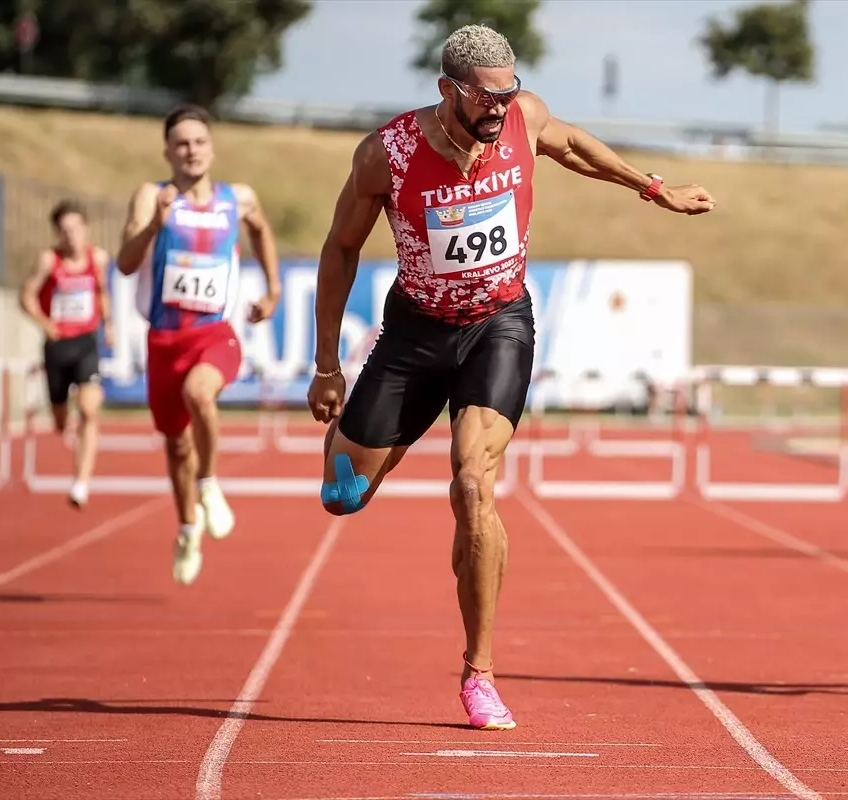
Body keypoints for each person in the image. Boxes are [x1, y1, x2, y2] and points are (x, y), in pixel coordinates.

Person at [305, 24, 714, 730]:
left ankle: (480, 673)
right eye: (485, 98)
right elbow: (341, 250)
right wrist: (325, 364)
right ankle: (398, 462)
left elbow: (577, 145)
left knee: (473, 485)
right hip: (414, 334)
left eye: (509, 93)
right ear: (447, 91)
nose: (499, 109)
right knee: (341, 496)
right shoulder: (388, 155)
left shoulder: (523, 120)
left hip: (498, 326)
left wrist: (654, 188)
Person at [116, 103, 282, 586]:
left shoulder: (238, 198)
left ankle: (210, 484)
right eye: (182, 144)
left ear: (212, 148)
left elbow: (262, 231)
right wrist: (153, 225)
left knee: (200, 394)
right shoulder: (152, 196)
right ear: (167, 151)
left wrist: (272, 290)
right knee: (176, 445)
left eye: (199, 142)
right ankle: (188, 528)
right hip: (165, 338)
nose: (191, 151)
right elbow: (126, 264)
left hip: (215, 334)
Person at [18, 199, 114, 508]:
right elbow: (26, 296)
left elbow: (102, 292)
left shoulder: (97, 258)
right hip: (57, 345)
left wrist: (109, 324)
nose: (71, 236)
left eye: (76, 229)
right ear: (58, 233)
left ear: (86, 228)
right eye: (65, 230)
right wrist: (44, 323)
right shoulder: (48, 260)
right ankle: (66, 423)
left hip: (86, 341)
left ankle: (81, 482)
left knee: (89, 409)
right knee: (60, 421)